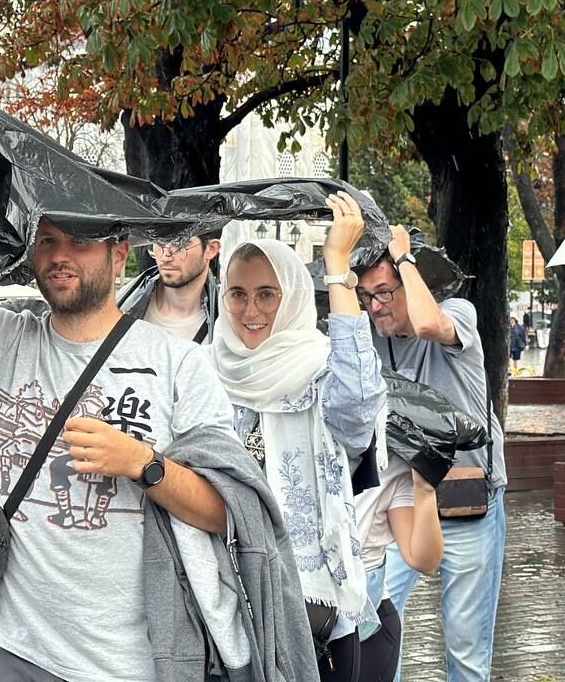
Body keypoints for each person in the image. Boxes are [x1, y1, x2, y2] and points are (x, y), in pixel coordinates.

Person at [0, 218, 316, 682]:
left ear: (120, 254)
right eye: (47, 241)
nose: (60, 255)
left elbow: (228, 512)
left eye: (81, 241)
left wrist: (142, 464)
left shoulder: (177, 363)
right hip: (14, 651)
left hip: (130, 664)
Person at [210, 191, 383, 681]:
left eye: (267, 293)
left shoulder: (320, 370)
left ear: (293, 297)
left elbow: (360, 403)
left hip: (312, 613)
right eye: (238, 294)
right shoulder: (207, 370)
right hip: (223, 612)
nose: (251, 310)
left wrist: (336, 269)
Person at [354, 225, 507, 682]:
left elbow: (426, 324)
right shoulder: (370, 340)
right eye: (366, 296)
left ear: (411, 279)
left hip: (468, 505)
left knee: (465, 649)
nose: (376, 305)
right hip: (403, 506)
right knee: (379, 635)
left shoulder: (455, 312)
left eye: (384, 292)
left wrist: (403, 257)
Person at [354, 459, 444, 682]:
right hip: (301, 611)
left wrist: (425, 490)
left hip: (368, 620)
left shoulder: (391, 458)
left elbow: (424, 560)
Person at [118, 231, 220, 344]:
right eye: (159, 241)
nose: (166, 257)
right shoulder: (124, 303)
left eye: (180, 243)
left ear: (211, 249)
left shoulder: (226, 326)